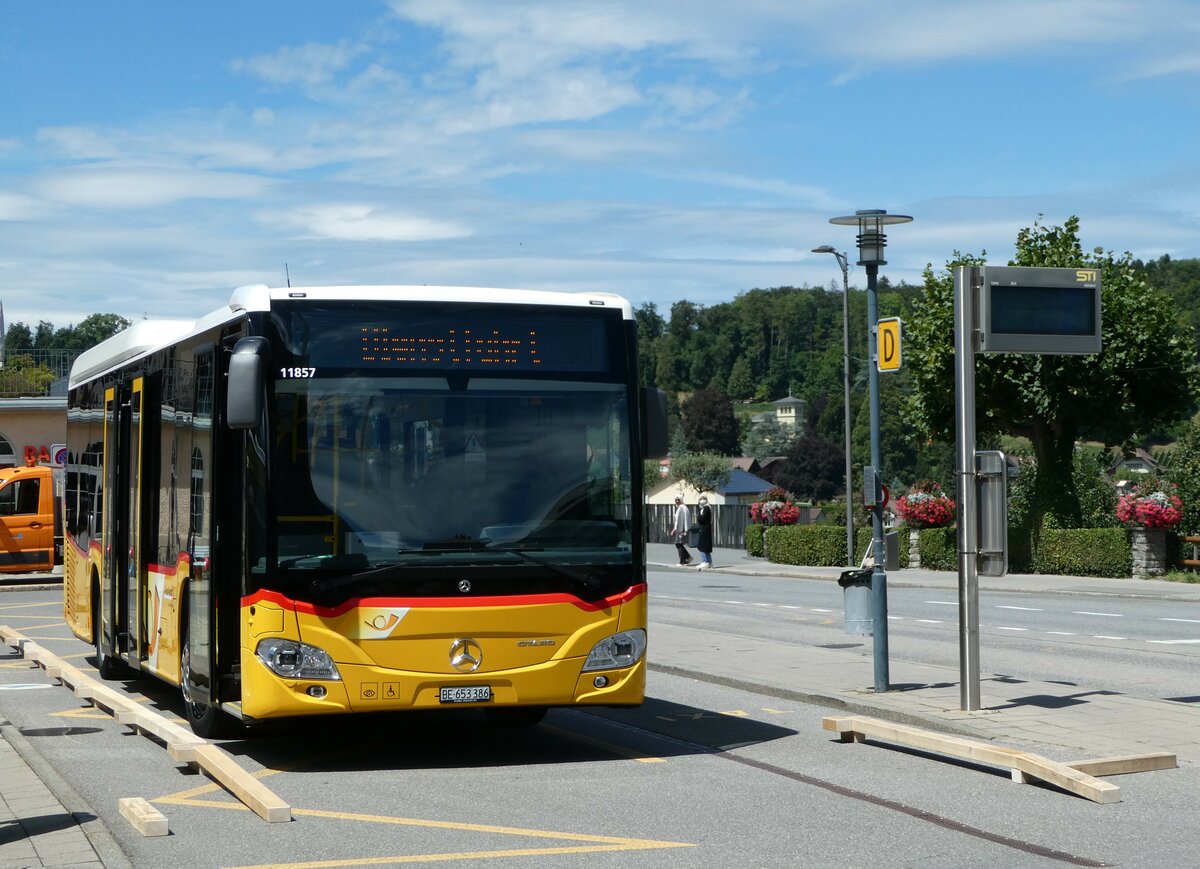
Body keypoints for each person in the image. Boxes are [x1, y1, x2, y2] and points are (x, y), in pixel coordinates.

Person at [671, 495, 693, 566]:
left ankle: (683, 561)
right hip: (679, 528)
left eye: (678, 500)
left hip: (680, 529)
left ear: (681, 500)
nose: (677, 501)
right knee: (679, 544)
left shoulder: (682, 508)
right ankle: (688, 557)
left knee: (678, 544)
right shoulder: (682, 508)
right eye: (676, 500)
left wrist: (682, 530)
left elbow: (681, 520)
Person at [696, 495, 713, 569]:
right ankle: (709, 562)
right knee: (705, 546)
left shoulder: (706, 508)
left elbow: (702, 518)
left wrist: (698, 517)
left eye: (704, 498)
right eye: (701, 498)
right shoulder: (703, 509)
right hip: (704, 529)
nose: (702, 500)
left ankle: (705, 561)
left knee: (702, 545)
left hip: (705, 529)